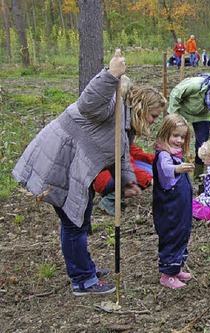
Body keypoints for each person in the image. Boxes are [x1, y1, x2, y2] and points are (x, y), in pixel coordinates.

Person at [12, 49, 143, 295]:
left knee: (78, 222)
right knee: (74, 224)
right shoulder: (104, 106)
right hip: (56, 166)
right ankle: (83, 280)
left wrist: (126, 181)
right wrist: (111, 75)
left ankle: (85, 269)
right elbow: (89, 100)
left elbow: (119, 152)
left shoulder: (120, 116)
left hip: (71, 168)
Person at [93, 76, 165, 216]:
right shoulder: (118, 125)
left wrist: (156, 160)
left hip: (111, 171)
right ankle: (110, 198)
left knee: (151, 169)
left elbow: (132, 151)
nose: (156, 121)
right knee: (144, 175)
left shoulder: (127, 123)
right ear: (142, 110)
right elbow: (125, 161)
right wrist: (149, 180)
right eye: (154, 116)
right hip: (103, 175)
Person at [152, 113, 195, 289]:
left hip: (181, 206)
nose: (179, 140)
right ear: (165, 134)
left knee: (181, 233)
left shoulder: (175, 153)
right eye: (175, 136)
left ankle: (176, 267)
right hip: (170, 207)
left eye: (182, 137)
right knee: (171, 234)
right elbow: (166, 170)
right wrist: (178, 168)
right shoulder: (164, 155)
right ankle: (167, 273)